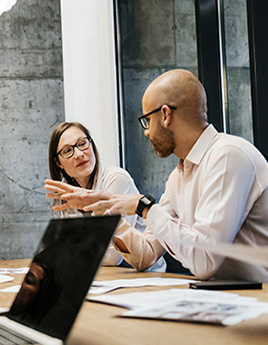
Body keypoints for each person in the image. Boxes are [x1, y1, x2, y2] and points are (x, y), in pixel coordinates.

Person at [46, 69, 268, 281]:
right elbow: (146, 255)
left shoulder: (228, 155)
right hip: (226, 299)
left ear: (165, 115)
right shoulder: (177, 177)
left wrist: (143, 206)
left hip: (258, 301)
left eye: (146, 120)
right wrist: (107, 211)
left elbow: (204, 260)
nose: (146, 131)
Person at [47, 121, 165, 271]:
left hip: (144, 275)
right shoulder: (65, 190)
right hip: (103, 276)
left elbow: (113, 256)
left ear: (92, 144)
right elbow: (65, 250)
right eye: (67, 151)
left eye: (82, 143)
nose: (79, 154)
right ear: (58, 163)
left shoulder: (116, 178)